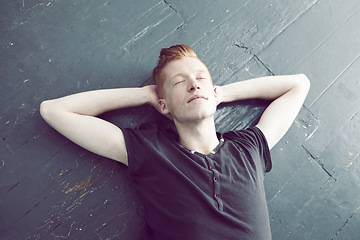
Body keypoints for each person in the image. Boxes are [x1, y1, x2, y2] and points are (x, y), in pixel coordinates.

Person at [40, 44, 310, 239]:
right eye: (180, 82)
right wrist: (145, 95)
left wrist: (222, 93)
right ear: (164, 104)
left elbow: (299, 84)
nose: (194, 85)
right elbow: (54, 111)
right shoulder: (150, 151)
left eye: (201, 78)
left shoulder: (247, 149)